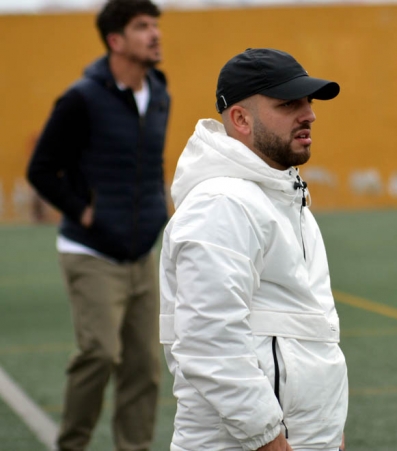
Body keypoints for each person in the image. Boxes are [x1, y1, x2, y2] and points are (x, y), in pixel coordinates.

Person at [159, 48, 348, 451]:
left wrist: (328, 435)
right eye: (288, 104)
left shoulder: (284, 194)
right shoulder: (222, 204)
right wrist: (270, 441)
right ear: (241, 119)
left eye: (309, 102)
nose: (309, 114)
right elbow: (209, 342)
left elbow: (311, 334)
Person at [26, 0, 170, 449]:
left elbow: (148, 163)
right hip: (90, 251)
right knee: (101, 354)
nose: (155, 34)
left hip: (142, 251)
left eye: (155, 25)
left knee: (145, 366)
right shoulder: (82, 98)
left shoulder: (160, 90)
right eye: (142, 26)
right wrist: (84, 212)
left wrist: (158, 209)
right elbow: (41, 168)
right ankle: (72, 444)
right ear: (115, 40)